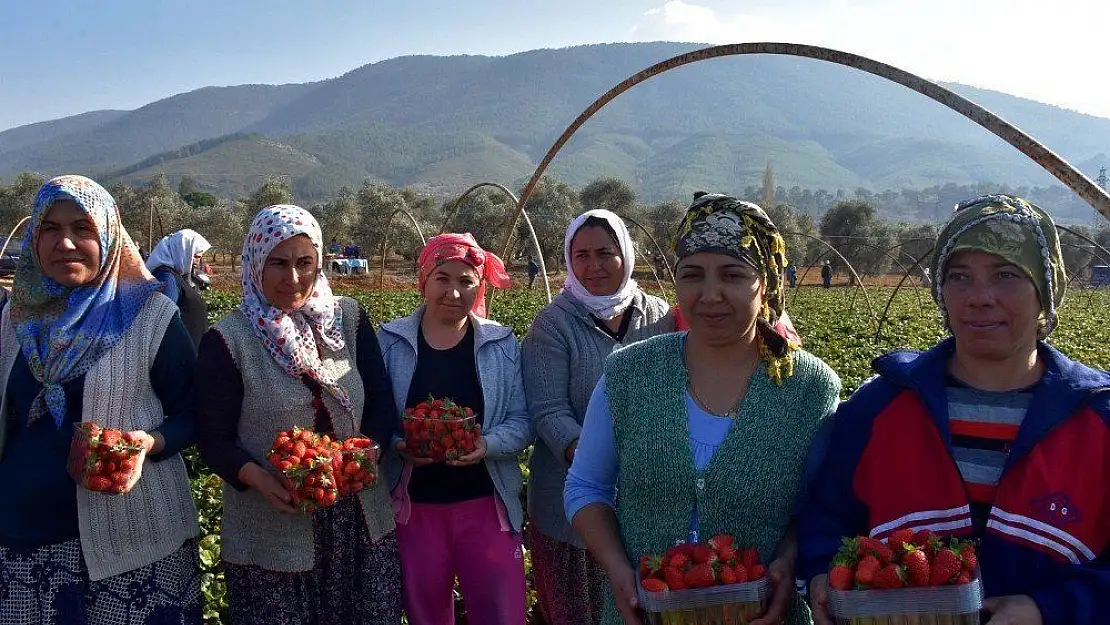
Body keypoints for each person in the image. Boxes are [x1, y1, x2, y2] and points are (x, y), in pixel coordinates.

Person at [798, 195, 1110, 625]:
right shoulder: (881, 408)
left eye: (1006, 275)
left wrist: (1045, 609)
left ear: (1046, 290)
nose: (980, 297)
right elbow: (825, 516)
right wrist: (820, 573)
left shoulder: (1098, 420)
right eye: (960, 277)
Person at [565, 193, 842, 625]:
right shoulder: (629, 373)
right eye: (692, 275)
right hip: (644, 613)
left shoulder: (809, 388)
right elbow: (585, 487)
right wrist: (619, 571)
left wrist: (787, 562)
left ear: (765, 281)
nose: (710, 294)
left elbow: (820, 506)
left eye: (733, 275)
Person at [0, 175, 201, 624]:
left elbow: (196, 412)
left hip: (130, 547)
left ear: (109, 235)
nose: (65, 242)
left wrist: (150, 443)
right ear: (34, 236)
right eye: (50, 227)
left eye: (83, 228)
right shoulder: (14, 317)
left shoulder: (150, 317)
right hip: (18, 544)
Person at [195, 205, 401, 625]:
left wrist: (368, 455)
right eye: (278, 263)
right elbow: (212, 439)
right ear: (255, 263)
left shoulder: (348, 318)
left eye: (305, 263)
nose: (293, 278)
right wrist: (259, 478)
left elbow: (380, 401)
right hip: (272, 524)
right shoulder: (229, 340)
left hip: (360, 519)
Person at [523, 209, 674, 625]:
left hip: (648, 499)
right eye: (582, 255)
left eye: (606, 253)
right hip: (567, 510)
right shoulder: (553, 325)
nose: (594, 266)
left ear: (626, 254)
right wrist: (594, 460)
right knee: (579, 610)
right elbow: (548, 411)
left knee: (643, 607)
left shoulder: (659, 317)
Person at [379, 233, 533, 625]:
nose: (453, 292)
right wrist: (398, 443)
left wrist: (487, 444)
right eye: (442, 278)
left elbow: (523, 420)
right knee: (426, 614)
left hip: (485, 505)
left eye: (466, 281)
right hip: (415, 508)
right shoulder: (390, 341)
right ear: (424, 281)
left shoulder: (500, 343)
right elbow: (374, 416)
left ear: (478, 286)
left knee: (502, 613)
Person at [146, 229, 213, 348]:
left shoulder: (175, 275)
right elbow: (165, 322)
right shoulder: (167, 277)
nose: (197, 262)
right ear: (183, 250)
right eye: (196, 256)